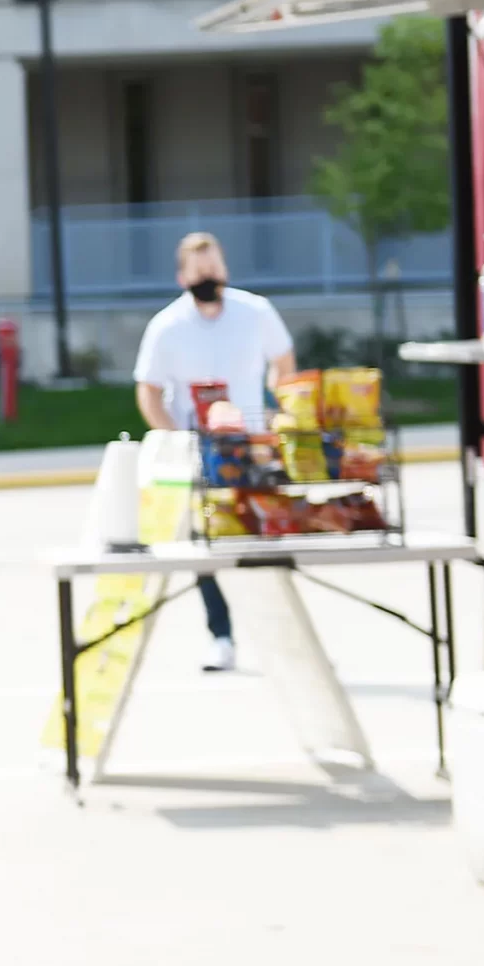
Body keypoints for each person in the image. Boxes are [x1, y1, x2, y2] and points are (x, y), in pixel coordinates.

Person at [132, 232, 299, 672]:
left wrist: (281, 412)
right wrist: (175, 437)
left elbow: (284, 364)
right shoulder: (168, 327)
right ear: (182, 276)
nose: (209, 277)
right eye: (200, 271)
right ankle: (221, 634)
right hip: (200, 450)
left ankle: (287, 639)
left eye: (215, 268)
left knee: (266, 541)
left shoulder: (255, 312)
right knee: (204, 549)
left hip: (254, 444)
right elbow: (148, 391)